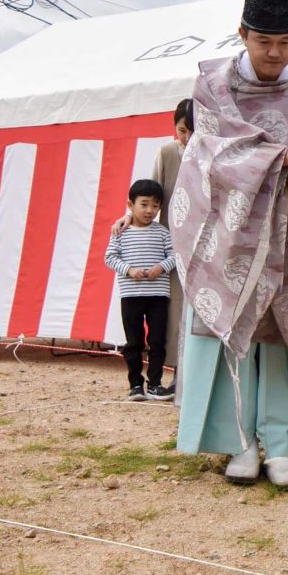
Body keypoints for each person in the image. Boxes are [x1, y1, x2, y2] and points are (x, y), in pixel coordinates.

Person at [170, 0, 288, 490]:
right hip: (231, 233)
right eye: (265, 41)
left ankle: (282, 442)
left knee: (276, 332)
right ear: (243, 33)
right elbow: (209, 155)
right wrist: (279, 162)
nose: (275, 53)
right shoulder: (213, 88)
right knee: (234, 335)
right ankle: (239, 443)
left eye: (286, 42)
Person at [113, 99, 194, 399]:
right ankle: (175, 375)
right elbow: (150, 193)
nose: (187, 138)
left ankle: (197, 373)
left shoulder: (211, 153)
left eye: (192, 132)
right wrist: (128, 216)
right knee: (173, 311)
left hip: (205, 241)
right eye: (182, 130)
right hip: (171, 241)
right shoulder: (167, 152)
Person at [105, 179, 177, 401]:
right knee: (134, 342)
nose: (150, 210)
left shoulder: (163, 232)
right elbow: (109, 258)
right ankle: (135, 385)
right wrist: (129, 270)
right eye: (144, 204)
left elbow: (175, 256)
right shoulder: (121, 231)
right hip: (131, 296)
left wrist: (160, 267)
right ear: (130, 204)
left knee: (156, 340)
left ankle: (155, 384)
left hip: (158, 296)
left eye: (155, 206)